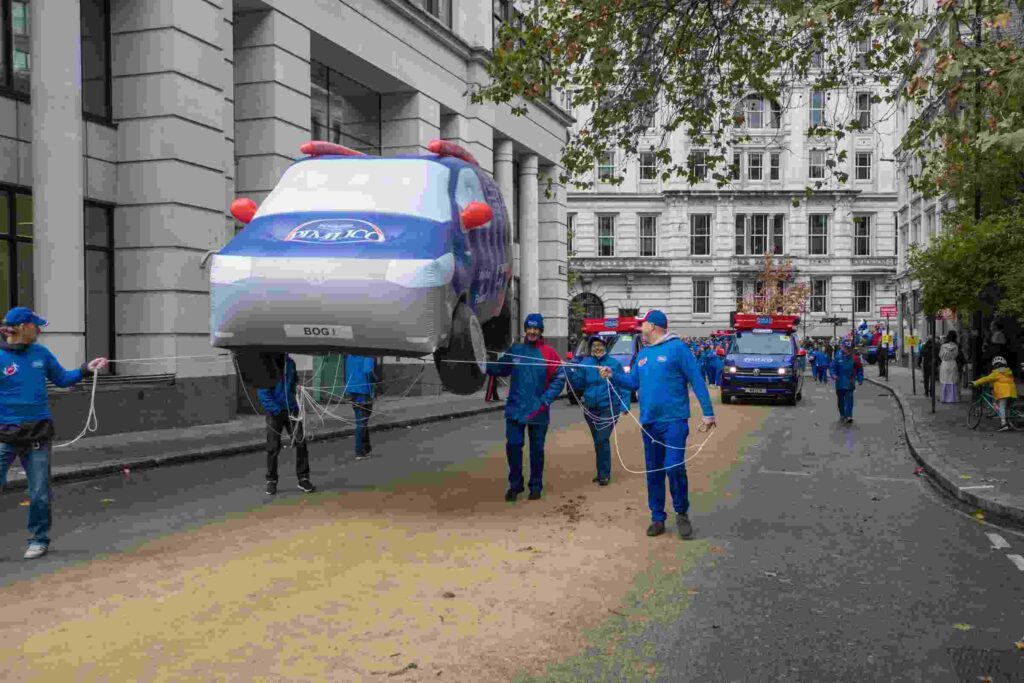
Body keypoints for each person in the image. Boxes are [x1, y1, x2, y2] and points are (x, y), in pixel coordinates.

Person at [0, 307, 108, 559]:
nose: (40, 330)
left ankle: (39, 539)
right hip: (4, 436)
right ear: (23, 328)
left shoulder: (41, 353)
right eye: (36, 326)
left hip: (38, 435)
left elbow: (62, 379)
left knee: (39, 493)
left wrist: (85, 369)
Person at [601, 310, 716, 540]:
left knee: (673, 467)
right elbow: (633, 381)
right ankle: (657, 517)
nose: (640, 328)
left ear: (653, 327)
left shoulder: (677, 349)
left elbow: (696, 379)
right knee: (653, 471)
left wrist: (708, 413)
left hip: (674, 421)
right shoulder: (643, 355)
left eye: (642, 325)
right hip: (649, 423)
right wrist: (612, 375)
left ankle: (681, 512)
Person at [486, 313, 566, 501]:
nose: (532, 332)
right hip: (515, 408)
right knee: (513, 446)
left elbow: (559, 378)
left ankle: (536, 485)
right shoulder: (516, 350)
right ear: (525, 330)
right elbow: (500, 369)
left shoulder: (549, 353)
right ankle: (515, 485)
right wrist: (480, 363)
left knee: (536, 450)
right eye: (529, 328)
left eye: (535, 328)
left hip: (538, 410)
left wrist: (546, 399)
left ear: (541, 330)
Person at [573, 336, 630, 486]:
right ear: (590, 348)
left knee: (602, 438)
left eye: (600, 345)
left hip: (609, 408)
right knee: (598, 441)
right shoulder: (585, 363)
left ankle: (604, 474)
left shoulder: (614, 364)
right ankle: (600, 473)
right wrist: (574, 371)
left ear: (605, 347)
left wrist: (625, 405)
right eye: (594, 346)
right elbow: (578, 384)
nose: (597, 348)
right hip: (591, 409)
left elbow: (623, 385)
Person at [258, 354, 314, 495]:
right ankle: (271, 480)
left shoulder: (290, 363)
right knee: (273, 447)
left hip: (292, 409)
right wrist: (275, 409)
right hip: (275, 413)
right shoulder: (267, 365)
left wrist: (296, 391)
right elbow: (263, 392)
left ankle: (303, 478)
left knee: (301, 442)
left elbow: (293, 381)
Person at [971, 356, 1018, 432]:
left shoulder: (996, 373)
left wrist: (975, 383)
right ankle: (1008, 422)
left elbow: (985, 379)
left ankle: (1003, 424)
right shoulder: (1009, 372)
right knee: (1007, 407)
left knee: (1001, 407)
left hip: (1003, 393)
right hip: (1012, 392)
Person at [344, 354, 378, 460]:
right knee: (362, 420)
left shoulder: (350, 356)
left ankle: (366, 447)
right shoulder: (367, 354)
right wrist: (375, 380)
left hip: (352, 390)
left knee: (362, 419)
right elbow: (368, 371)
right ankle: (359, 451)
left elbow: (346, 372)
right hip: (363, 390)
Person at [829, 339, 864, 424]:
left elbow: (859, 369)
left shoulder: (854, 358)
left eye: (847, 347)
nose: (845, 349)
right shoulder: (838, 357)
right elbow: (832, 368)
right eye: (844, 347)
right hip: (840, 382)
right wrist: (833, 375)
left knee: (849, 400)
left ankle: (849, 415)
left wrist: (860, 378)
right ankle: (842, 414)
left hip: (850, 382)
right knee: (841, 400)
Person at [938, 330, 963, 404]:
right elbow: (956, 355)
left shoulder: (943, 346)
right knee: (952, 380)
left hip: (945, 364)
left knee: (944, 380)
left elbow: (940, 355)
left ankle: (944, 397)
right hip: (952, 363)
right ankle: (952, 398)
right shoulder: (956, 346)